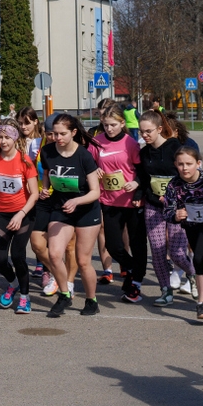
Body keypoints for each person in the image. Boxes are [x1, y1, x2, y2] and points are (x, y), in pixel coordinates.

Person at [39, 114, 102, 317]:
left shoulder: (83, 155)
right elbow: (48, 175)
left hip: (86, 209)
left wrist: (77, 201)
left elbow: (95, 192)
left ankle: (91, 300)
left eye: (62, 134)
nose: (57, 138)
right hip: (61, 207)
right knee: (54, 254)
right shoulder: (47, 151)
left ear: (73, 133)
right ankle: (64, 295)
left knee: (83, 261)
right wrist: (46, 189)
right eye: (54, 134)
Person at [0, 119, 40, 313]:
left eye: (7, 137)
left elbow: (35, 194)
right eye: (0, 137)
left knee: (19, 255)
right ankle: (13, 284)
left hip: (23, 213)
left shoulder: (24, 161)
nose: (3, 141)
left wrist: (20, 214)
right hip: (1, 213)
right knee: (0, 257)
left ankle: (25, 297)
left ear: (15, 138)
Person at [89, 107, 148, 302]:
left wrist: (137, 186)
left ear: (122, 123)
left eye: (113, 125)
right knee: (113, 246)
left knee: (137, 244)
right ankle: (132, 268)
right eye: (105, 125)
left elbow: (142, 170)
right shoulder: (97, 142)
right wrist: (94, 170)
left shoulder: (130, 143)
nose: (109, 129)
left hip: (132, 200)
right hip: (109, 201)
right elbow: (88, 163)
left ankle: (136, 282)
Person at [137, 110, 194, 306]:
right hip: (154, 205)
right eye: (141, 132)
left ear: (160, 129)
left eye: (148, 131)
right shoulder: (144, 153)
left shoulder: (175, 148)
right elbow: (144, 180)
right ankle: (165, 290)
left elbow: (186, 176)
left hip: (177, 206)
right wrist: (146, 196)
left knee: (177, 252)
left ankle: (194, 275)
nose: (144, 135)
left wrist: (174, 198)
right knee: (158, 250)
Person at [162, 146, 203, 320]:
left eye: (189, 164)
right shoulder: (174, 184)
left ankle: (201, 304)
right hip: (191, 226)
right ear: (175, 164)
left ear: (198, 163)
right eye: (181, 164)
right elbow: (167, 211)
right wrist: (175, 215)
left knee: (199, 259)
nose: (185, 168)